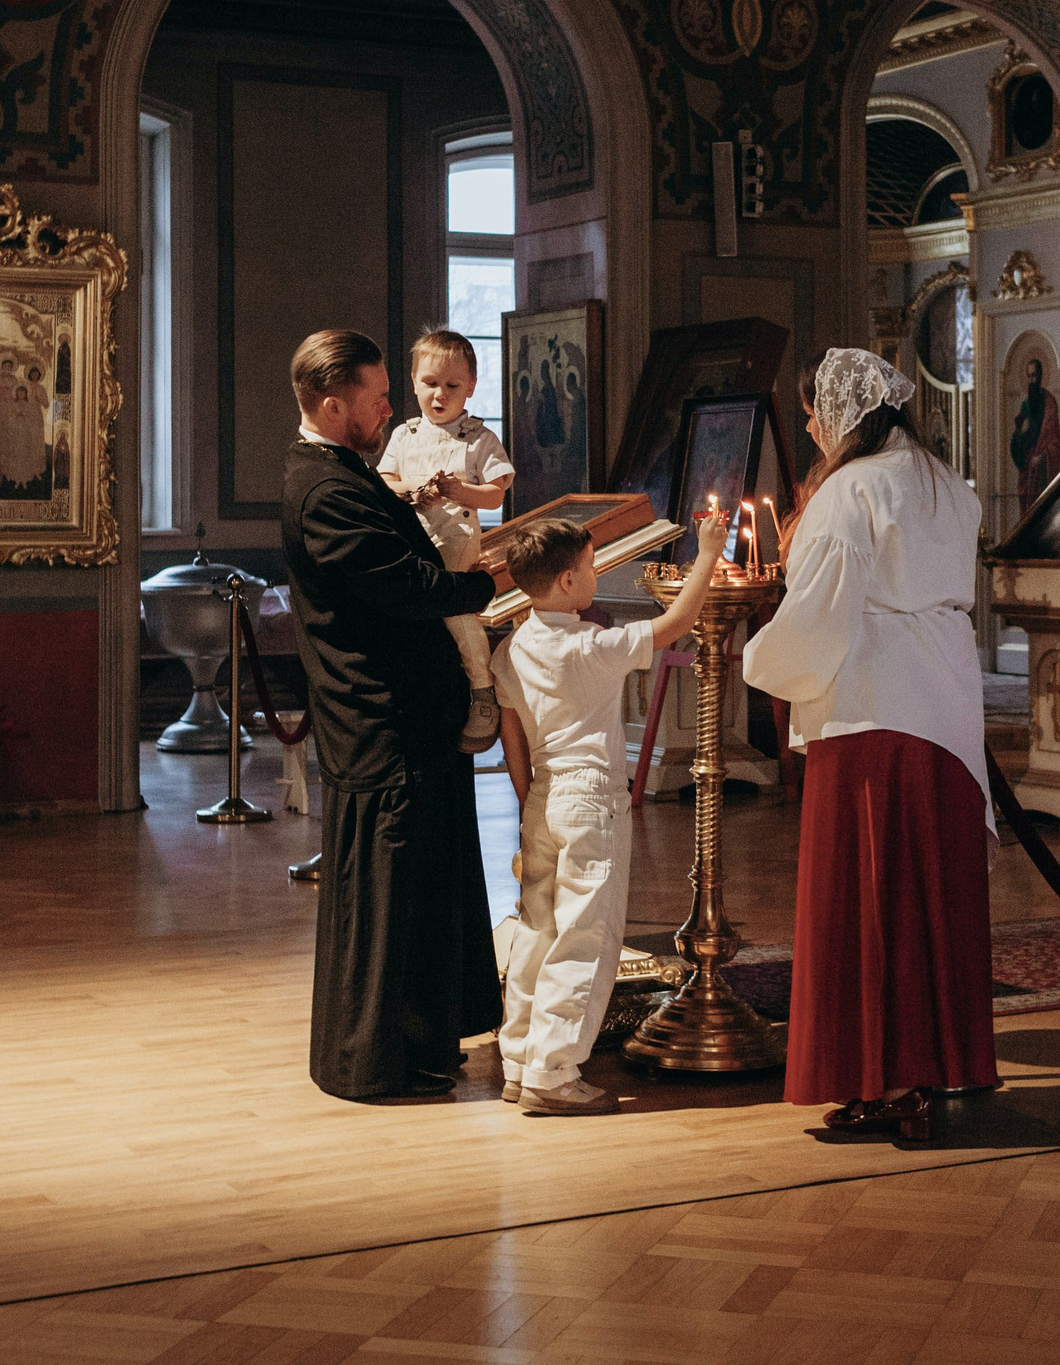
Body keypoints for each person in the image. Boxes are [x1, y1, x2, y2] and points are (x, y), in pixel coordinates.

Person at [742, 346, 995, 1144]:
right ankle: (934, 1063)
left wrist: (759, 661)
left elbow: (821, 610)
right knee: (932, 893)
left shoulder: (848, 490)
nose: (811, 425)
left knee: (868, 901)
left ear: (844, 417)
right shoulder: (943, 480)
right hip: (947, 708)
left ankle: (880, 1080)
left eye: (816, 411)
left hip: (873, 708)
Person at [283, 328, 502, 1101]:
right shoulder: (326, 486)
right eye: (376, 396)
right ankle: (372, 1061)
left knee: (418, 889)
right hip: (381, 723)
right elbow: (404, 584)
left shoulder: (343, 469)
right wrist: (487, 585)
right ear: (334, 403)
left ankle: (418, 1044)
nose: (389, 406)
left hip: (406, 722)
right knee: (387, 893)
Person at [489, 507, 728, 1117]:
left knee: (537, 931)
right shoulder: (587, 646)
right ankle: (554, 1073)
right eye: (592, 566)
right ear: (567, 581)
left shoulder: (512, 649)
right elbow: (676, 622)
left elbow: (510, 732)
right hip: (591, 797)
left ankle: (520, 1061)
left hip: (542, 796)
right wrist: (707, 552)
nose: (597, 575)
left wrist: (527, 802)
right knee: (586, 937)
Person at [375, 329, 515, 754]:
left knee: (454, 605)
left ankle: (482, 690)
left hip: (455, 536)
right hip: (411, 538)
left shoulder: (479, 438)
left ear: (471, 386)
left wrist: (457, 492)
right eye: (430, 383)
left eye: (452, 385)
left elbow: (496, 491)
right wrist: (417, 489)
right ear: (414, 381)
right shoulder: (404, 435)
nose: (440, 395)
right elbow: (386, 482)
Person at [1010, 355, 1060, 510]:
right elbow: (1015, 444)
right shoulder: (1025, 405)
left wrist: (1041, 457)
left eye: (1033, 375)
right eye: (1028, 376)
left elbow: (1055, 443)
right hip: (1028, 470)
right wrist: (1021, 433)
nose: (1030, 380)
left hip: (1042, 470)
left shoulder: (1050, 403)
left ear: (1040, 376)